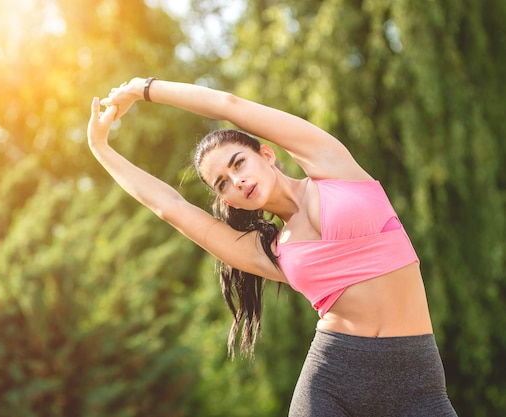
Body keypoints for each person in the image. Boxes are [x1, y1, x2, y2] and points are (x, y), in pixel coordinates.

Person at [88, 77, 457, 416]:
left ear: (266, 155)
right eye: (223, 184)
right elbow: (171, 207)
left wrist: (144, 88)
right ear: (228, 201)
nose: (237, 180)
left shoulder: (330, 165)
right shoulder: (272, 253)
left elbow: (228, 104)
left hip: (418, 380)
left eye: (239, 163)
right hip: (333, 381)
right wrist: (100, 147)